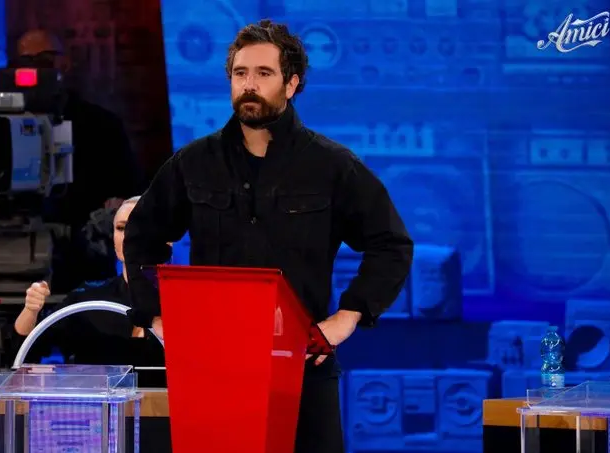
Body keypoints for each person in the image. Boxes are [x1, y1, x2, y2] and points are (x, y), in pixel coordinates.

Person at [123, 19, 414, 453]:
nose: (249, 85)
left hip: (303, 367)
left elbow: (391, 244)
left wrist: (347, 317)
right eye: (240, 73)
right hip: (213, 370)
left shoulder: (332, 166)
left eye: (264, 73)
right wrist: (159, 318)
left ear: (291, 84)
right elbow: (142, 236)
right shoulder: (194, 162)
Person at [14, 29, 143, 291]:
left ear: (64, 63)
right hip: (14, 254)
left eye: (44, 60)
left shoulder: (101, 125)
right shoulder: (0, 127)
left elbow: (129, 190)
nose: (36, 70)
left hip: (82, 260)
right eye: (26, 62)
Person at [13, 197, 164, 384]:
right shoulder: (87, 300)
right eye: (121, 228)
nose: (130, 235)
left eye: (141, 226)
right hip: (95, 402)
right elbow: (28, 351)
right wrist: (30, 310)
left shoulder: (186, 304)